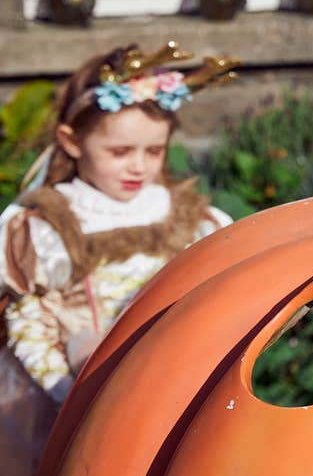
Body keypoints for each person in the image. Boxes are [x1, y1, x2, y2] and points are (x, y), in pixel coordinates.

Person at [0, 41, 239, 403]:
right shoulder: (45, 228)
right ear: (72, 141)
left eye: (154, 151)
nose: (139, 167)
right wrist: (71, 399)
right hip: (70, 400)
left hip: (173, 393)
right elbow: (29, 321)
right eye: (119, 152)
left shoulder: (192, 221)